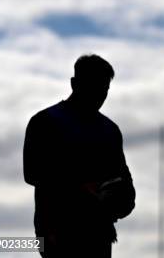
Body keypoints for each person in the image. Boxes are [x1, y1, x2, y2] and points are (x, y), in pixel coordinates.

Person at [23, 54, 136, 258]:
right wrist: (80, 189)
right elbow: (32, 172)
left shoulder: (110, 131)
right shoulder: (45, 123)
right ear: (74, 83)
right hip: (57, 232)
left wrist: (123, 199)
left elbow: (123, 179)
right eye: (93, 87)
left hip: (98, 234)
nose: (99, 96)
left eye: (104, 90)